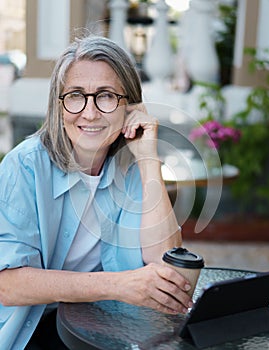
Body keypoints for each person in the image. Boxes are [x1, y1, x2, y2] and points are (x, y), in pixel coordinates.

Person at [0, 35, 193, 349]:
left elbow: (167, 267)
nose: (89, 113)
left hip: (102, 324)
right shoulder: (23, 167)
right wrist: (118, 285)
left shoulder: (131, 167)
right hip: (30, 327)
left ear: (129, 105)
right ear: (58, 105)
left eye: (105, 96)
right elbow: (8, 284)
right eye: (76, 95)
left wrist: (147, 158)